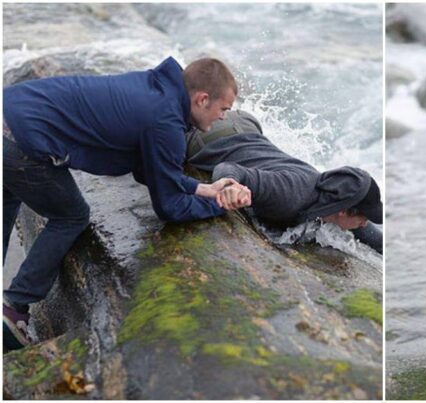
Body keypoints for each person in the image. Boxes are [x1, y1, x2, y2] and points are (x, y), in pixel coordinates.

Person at [3, 57, 248, 352]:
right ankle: (15, 307)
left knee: (11, 195)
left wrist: (202, 189)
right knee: (71, 216)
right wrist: (222, 205)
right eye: (224, 109)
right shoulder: (166, 123)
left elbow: (152, 171)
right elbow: (169, 206)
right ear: (202, 99)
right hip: (19, 139)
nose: (224, 118)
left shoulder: (158, 92)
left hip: (10, 109)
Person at [184, 110, 383, 253]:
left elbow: (374, 239)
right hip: (210, 135)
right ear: (344, 209)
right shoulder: (289, 194)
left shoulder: (333, 196)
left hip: (247, 124)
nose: (364, 223)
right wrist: (229, 188)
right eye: (364, 217)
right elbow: (227, 168)